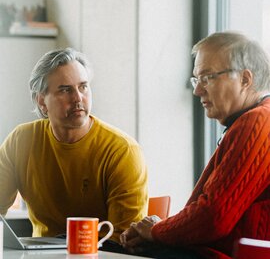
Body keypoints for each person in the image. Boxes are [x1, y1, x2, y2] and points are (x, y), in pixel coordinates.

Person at [120, 31, 270, 259]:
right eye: (196, 79)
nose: (198, 90)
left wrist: (156, 230)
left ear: (245, 79)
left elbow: (213, 218)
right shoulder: (251, 120)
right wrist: (157, 231)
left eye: (207, 78)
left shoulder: (257, 122)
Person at [0, 48, 148, 246]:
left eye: (83, 87)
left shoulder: (121, 150)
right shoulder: (21, 140)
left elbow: (124, 240)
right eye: (65, 90)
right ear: (42, 101)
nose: (78, 98)